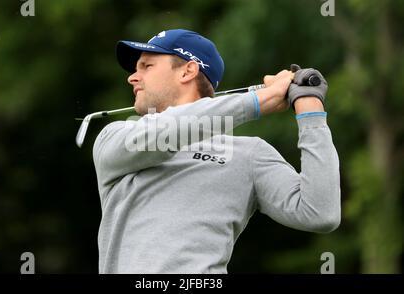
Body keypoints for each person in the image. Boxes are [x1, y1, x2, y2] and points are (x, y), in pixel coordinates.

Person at [92, 29, 341, 274]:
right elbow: (167, 131)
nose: (132, 78)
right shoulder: (115, 137)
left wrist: (310, 108)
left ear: (188, 71)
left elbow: (320, 213)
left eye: (147, 66)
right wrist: (261, 100)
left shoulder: (248, 154)